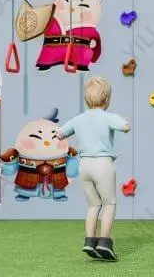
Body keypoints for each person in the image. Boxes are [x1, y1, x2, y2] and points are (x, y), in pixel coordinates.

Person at [58, 76, 130, 261]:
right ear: (107, 100)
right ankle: (104, 242)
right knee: (109, 203)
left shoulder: (78, 119)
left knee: (93, 205)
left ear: (86, 99)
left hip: (84, 165)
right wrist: (119, 119)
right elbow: (125, 127)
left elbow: (59, 134)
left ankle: (89, 241)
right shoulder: (108, 117)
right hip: (102, 164)